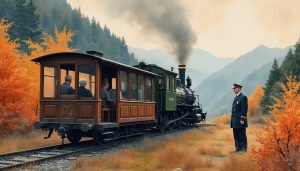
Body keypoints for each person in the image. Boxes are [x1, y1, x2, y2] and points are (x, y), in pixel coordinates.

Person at [231, 83, 248, 153]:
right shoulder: (236, 97)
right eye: (233, 89)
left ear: (238, 89)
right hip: (235, 120)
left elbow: (244, 110)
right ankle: (237, 148)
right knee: (236, 135)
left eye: (235, 88)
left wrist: (242, 119)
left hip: (240, 120)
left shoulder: (243, 97)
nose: (233, 90)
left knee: (242, 135)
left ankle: (243, 149)